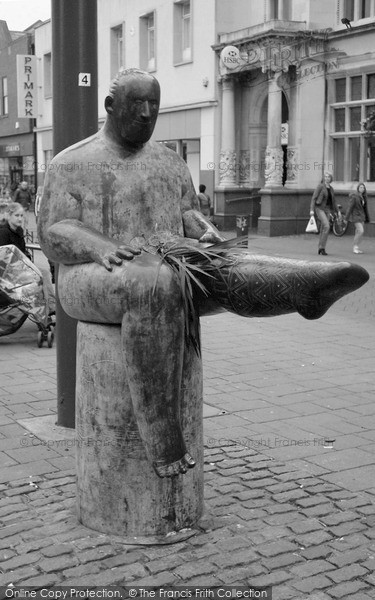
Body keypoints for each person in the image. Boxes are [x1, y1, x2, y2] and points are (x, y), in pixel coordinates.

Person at [38, 68, 368, 478]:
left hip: (170, 263)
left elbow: (187, 212)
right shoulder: (71, 163)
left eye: (153, 106)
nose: (145, 113)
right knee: (152, 281)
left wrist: (206, 233)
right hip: (92, 275)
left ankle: (303, 290)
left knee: (221, 265)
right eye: (136, 105)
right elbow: (54, 230)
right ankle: (162, 437)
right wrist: (102, 246)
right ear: (110, 107)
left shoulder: (170, 163)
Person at [310, 173, 338, 255]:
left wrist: (338, 212)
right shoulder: (320, 186)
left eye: (328, 177)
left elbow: (334, 201)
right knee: (327, 226)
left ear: (331, 178)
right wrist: (311, 210)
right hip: (320, 209)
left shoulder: (331, 189)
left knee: (323, 229)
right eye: (325, 177)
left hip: (328, 209)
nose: (327, 178)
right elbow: (314, 198)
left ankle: (321, 248)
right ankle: (322, 248)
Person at [345, 183, 370, 254]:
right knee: (361, 231)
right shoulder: (355, 197)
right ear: (358, 188)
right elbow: (350, 207)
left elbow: (365, 208)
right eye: (360, 187)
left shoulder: (364, 197)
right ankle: (355, 247)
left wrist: (367, 217)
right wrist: (346, 218)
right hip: (356, 216)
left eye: (363, 188)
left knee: (358, 232)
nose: (362, 189)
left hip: (362, 216)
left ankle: (357, 247)